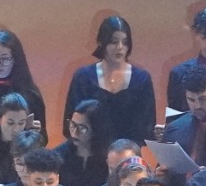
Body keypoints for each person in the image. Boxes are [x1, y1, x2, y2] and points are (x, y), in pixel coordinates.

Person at [64, 16, 157, 158]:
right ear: (102, 42)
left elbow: (146, 127)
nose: (120, 47)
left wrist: (125, 154)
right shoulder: (83, 77)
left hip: (127, 156)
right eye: (114, 42)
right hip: (88, 155)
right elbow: (70, 121)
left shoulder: (142, 78)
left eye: (125, 42)